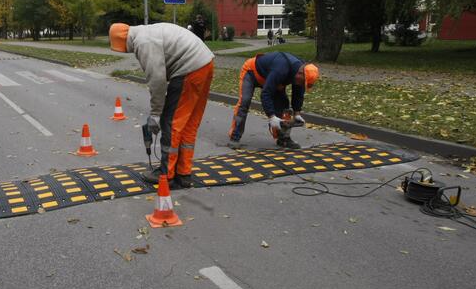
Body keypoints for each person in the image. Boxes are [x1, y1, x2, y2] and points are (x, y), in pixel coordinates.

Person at [109, 22, 214, 188]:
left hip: (189, 68)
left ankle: (166, 174)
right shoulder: (146, 32)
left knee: (170, 123)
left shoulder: (143, 42)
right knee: (188, 124)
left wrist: (156, 114)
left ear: (122, 41)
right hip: (205, 63)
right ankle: (184, 173)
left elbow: (157, 80)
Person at [227, 52, 319, 149]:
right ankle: (234, 137)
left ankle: (283, 139)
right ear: (300, 73)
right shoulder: (281, 69)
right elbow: (266, 94)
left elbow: (298, 93)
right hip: (252, 72)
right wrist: (271, 116)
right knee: (244, 102)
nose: (301, 84)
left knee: (284, 106)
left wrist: (297, 113)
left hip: (272, 77)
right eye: (302, 82)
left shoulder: (301, 72)